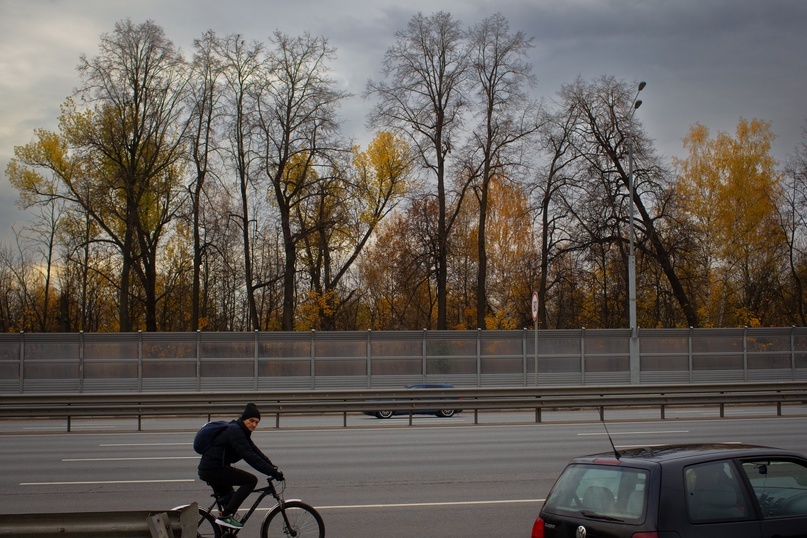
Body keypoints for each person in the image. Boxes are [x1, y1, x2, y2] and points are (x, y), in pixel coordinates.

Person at [198, 402, 284, 529]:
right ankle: (225, 516)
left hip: (213, 468)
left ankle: (226, 527)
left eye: (257, 422)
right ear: (244, 419)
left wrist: (273, 467)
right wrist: (272, 473)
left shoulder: (241, 431)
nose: (254, 425)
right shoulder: (235, 431)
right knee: (250, 480)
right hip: (213, 469)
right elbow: (250, 457)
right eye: (251, 421)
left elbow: (256, 452)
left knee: (230, 500)